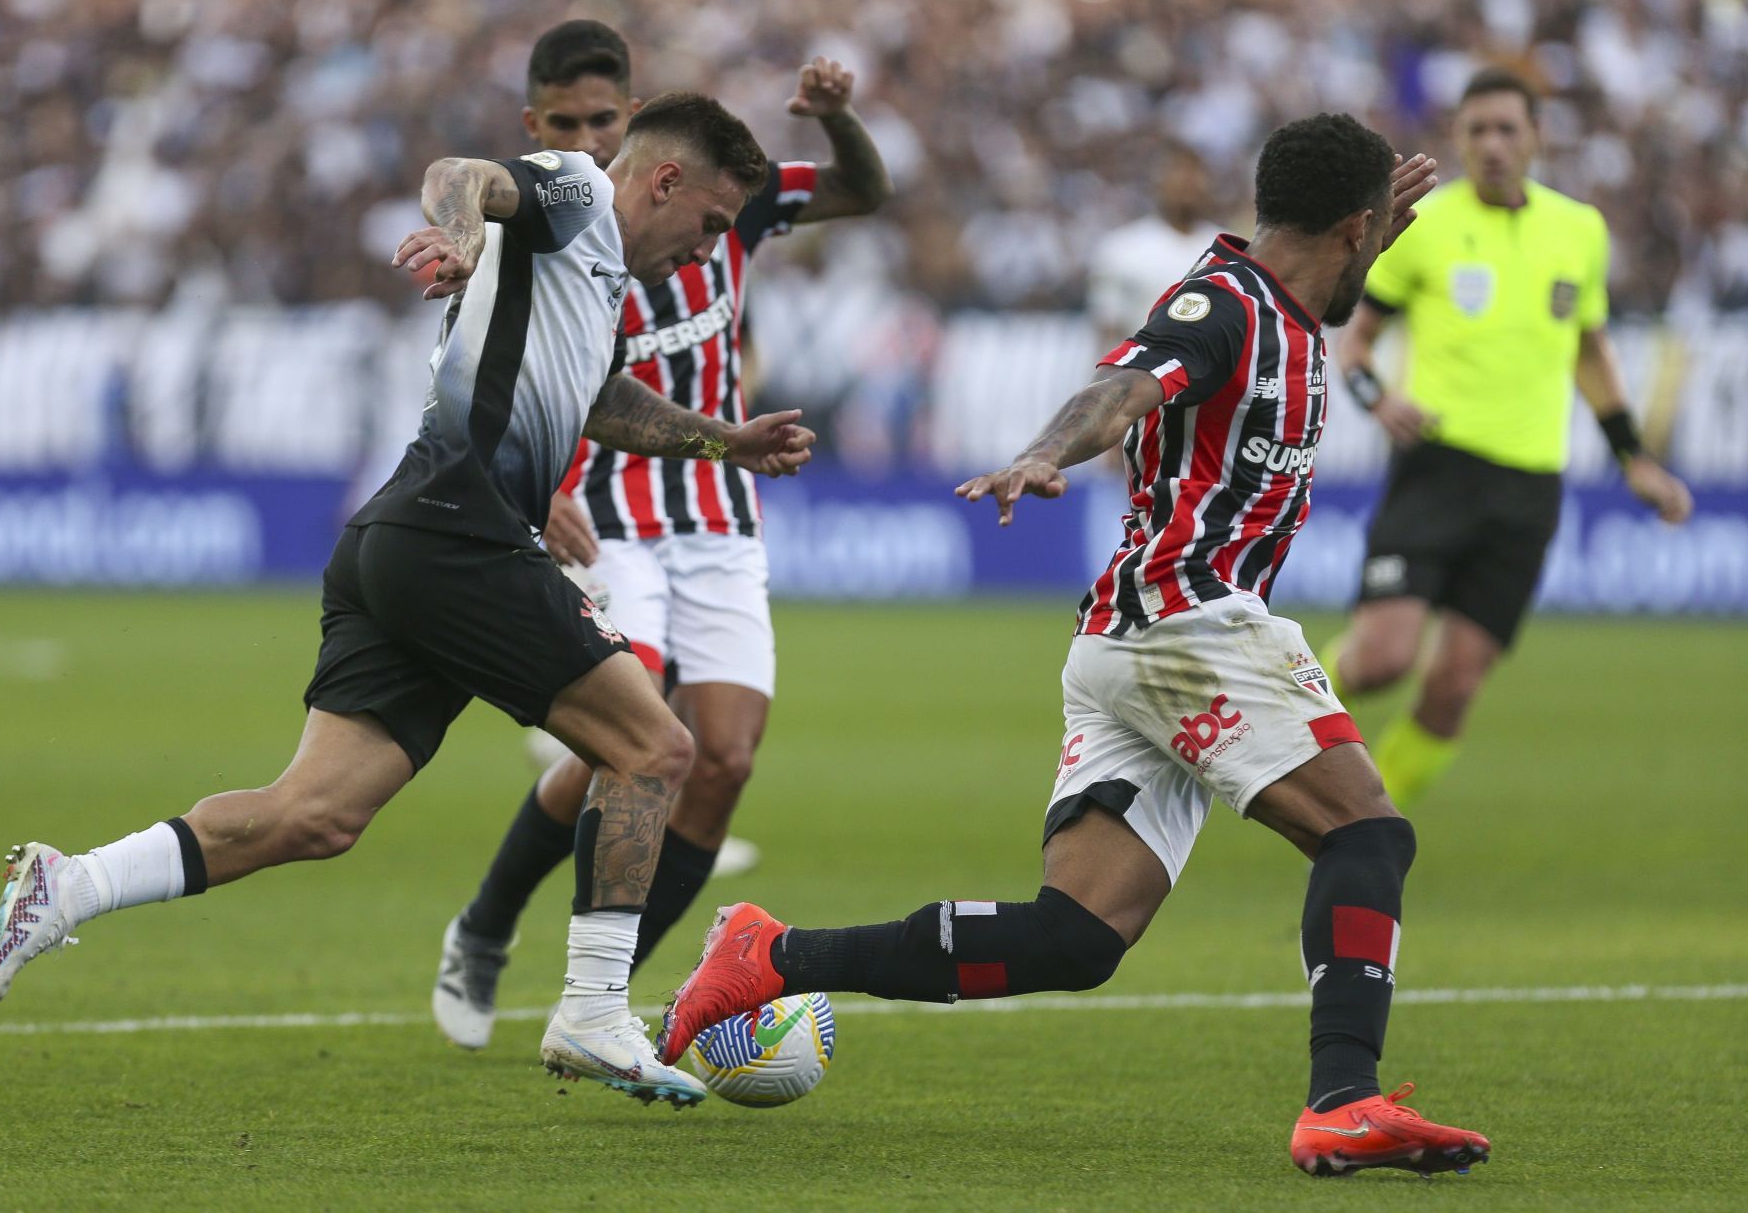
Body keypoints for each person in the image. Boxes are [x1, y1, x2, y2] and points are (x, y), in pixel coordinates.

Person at [657, 115, 1494, 1178]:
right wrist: (1045, 449)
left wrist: (1372, 239)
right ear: (1350, 226)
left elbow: (1313, 289)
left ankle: (771, 955)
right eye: (1373, 239)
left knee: (1077, 935)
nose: (1377, 258)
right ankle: (1343, 1097)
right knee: (1366, 833)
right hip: (1189, 620)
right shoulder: (1221, 305)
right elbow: (1129, 382)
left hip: (1124, 638)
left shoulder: (1285, 300)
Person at [0, 92, 815, 1109]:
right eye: (711, 225)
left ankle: (69, 886)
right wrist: (461, 238)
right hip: (457, 527)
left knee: (314, 813)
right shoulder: (582, 191)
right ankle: (593, 1008)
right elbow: (463, 176)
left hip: (401, 538)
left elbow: (600, 402)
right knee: (657, 746)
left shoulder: (597, 288)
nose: (705, 251)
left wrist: (728, 440)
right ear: (665, 180)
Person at [427, 21, 890, 1052]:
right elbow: (471, 367)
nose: (588, 139)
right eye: (567, 123)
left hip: (720, 518)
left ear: (636, 123)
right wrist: (523, 481)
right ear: (534, 125)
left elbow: (865, 190)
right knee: (628, 742)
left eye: (604, 119)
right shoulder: (543, 224)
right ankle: (487, 924)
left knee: (722, 757)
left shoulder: (723, 197)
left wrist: (838, 117)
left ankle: (605, 996)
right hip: (610, 516)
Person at [1329, 68, 1693, 809]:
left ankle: (1369, 826)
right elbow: (1356, 343)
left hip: (1528, 484)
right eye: (1476, 131)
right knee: (1380, 662)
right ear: (1458, 140)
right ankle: (1268, 709)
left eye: (1507, 129)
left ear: (1536, 137)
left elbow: (1589, 350)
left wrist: (1634, 458)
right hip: (1437, 467)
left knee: (1455, 684)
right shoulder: (1427, 227)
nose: (1492, 145)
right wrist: (1377, 399)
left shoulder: (1578, 230)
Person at [1088, 140, 1221, 350]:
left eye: (1195, 173)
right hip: (1144, 375)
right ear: (1156, 182)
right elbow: (1108, 330)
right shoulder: (1123, 248)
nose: (1187, 182)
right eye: (1177, 171)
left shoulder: (1229, 248)